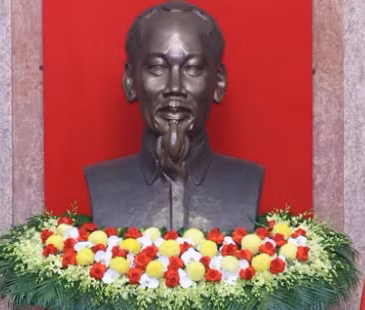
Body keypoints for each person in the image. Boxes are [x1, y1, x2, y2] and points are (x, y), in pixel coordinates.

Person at [85, 0, 263, 231]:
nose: (175, 87)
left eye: (193, 68)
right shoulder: (103, 183)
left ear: (218, 82)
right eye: (157, 68)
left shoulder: (246, 182)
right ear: (130, 82)